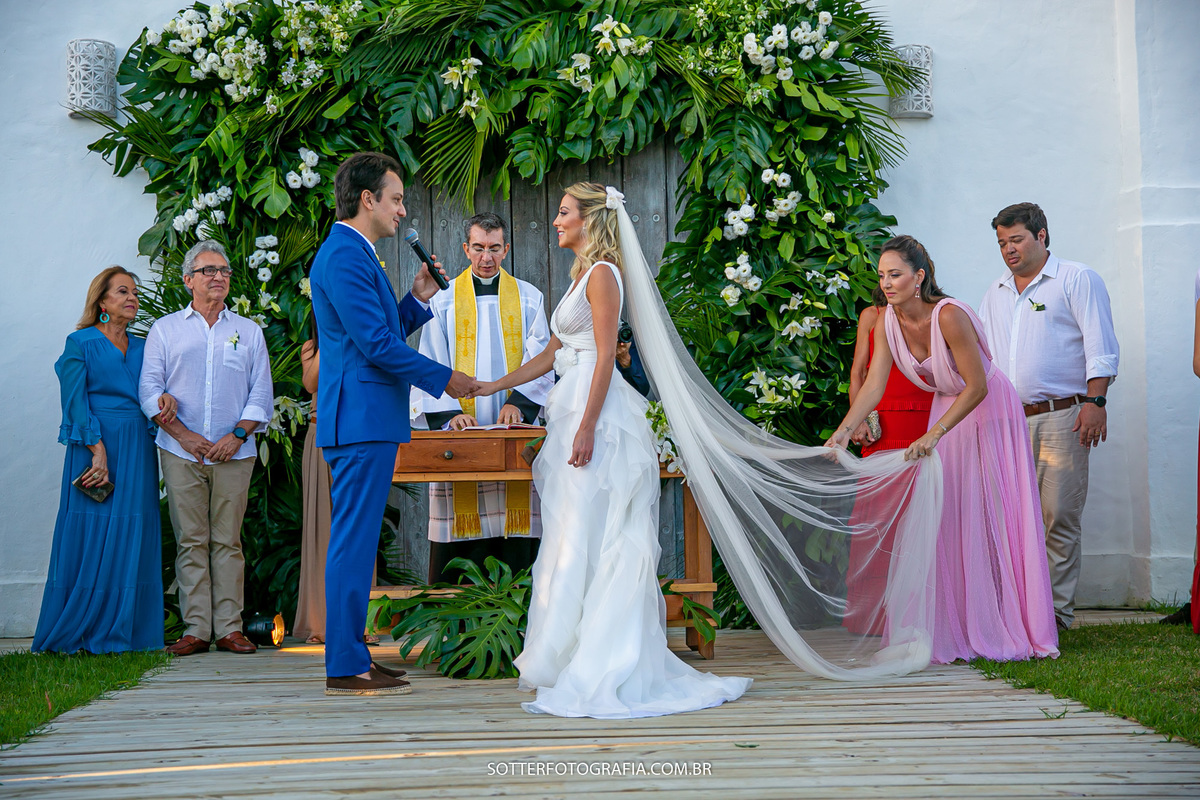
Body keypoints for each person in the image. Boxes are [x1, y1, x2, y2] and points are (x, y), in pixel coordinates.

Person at [475, 182, 751, 718]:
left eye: (563, 213)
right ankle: (570, 653)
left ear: (590, 220)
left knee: (599, 535)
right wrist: (492, 387)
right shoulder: (581, 274)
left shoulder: (603, 275)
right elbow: (553, 351)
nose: (555, 221)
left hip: (597, 416)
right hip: (572, 404)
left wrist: (586, 425)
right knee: (571, 533)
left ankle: (607, 660)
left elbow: (605, 357)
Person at [826, 235, 1059, 663]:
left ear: (919, 277)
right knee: (946, 515)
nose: (887, 283)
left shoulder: (949, 316)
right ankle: (957, 624)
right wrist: (845, 430)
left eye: (895, 274)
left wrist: (935, 433)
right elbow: (874, 384)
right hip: (947, 409)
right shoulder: (886, 321)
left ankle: (1011, 622)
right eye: (881, 275)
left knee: (988, 513)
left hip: (987, 410)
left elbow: (979, 385)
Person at [310, 151, 477, 697]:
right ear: (368, 199)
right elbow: (376, 346)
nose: (403, 211)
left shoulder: (359, 255)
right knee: (353, 543)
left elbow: (378, 331)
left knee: (357, 544)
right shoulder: (344, 256)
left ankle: (354, 656)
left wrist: (417, 298)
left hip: (367, 418)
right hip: (358, 420)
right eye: (397, 198)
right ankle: (344, 666)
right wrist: (445, 379)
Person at [979, 203, 1120, 631]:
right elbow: (985, 359)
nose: (1008, 250)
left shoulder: (1076, 279)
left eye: (1016, 239)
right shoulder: (996, 291)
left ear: (1042, 236)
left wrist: (1095, 404)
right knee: (1010, 517)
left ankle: (1055, 616)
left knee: (1057, 514)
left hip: (1064, 415)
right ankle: (1016, 613)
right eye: (1002, 242)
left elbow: (1101, 344)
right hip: (1007, 421)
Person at [140, 241, 274, 657]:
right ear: (188, 281)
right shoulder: (165, 330)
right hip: (181, 452)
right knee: (191, 540)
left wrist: (235, 436)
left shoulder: (248, 331)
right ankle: (197, 629)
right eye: (208, 270)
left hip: (234, 452)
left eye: (225, 270)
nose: (219, 276)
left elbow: (261, 392)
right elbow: (149, 389)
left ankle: (230, 628)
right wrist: (184, 436)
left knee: (227, 540)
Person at [33, 267, 173, 653]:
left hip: (137, 447)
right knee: (91, 529)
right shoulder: (80, 342)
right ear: (102, 302)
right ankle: (80, 627)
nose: (132, 298)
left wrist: (167, 398)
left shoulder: (145, 346)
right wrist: (97, 450)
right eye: (122, 292)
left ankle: (130, 632)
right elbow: (74, 400)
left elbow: (156, 389)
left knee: (134, 531)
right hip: (94, 441)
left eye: (134, 292)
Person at [411, 212, 553, 584]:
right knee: (461, 529)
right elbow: (431, 358)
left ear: (506, 249)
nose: (486, 257)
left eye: (494, 248)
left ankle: (520, 621)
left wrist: (518, 404)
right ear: (466, 248)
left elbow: (542, 357)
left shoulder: (528, 297)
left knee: (515, 519)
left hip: (512, 427)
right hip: (463, 431)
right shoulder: (443, 300)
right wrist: (449, 414)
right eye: (478, 248)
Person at [842, 289, 934, 635]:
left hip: (923, 419)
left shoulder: (937, 312)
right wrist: (860, 419)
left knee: (923, 513)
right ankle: (877, 618)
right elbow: (858, 374)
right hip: (884, 422)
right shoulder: (872, 315)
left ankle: (922, 611)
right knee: (877, 519)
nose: (889, 280)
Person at [293, 321, 331, 644]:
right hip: (321, 437)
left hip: (358, 435)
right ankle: (319, 622)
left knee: (357, 528)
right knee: (321, 528)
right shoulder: (312, 348)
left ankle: (361, 621)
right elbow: (310, 382)